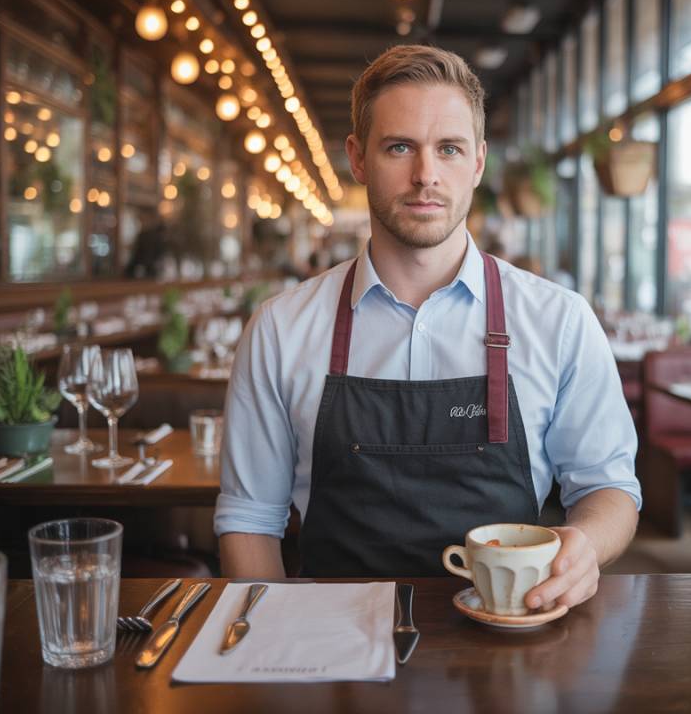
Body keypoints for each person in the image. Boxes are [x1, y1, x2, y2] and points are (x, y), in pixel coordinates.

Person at [215, 45, 640, 611]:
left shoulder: (559, 321)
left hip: (511, 651)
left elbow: (609, 487)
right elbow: (249, 518)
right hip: (332, 658)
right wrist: (273, 644)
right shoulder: (280, 329)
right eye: (399, 147)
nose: (426, 175)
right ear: (358, 159)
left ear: (479, 163)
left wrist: (584, 544)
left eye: (449, 149)